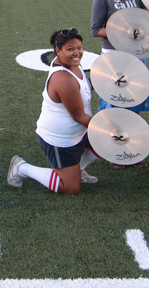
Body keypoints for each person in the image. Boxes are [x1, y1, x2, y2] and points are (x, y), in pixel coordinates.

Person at [7, 29, 101, 194]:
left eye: (79, 47)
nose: (77, 52)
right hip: (61, 140)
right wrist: (108, 127)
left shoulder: (72, 65)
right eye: (70, 49)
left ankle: (77, 169)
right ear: (58, 51)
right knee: (70, 187)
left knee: (105, 143)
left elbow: (84, 87)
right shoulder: (63, 79)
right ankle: (21, 167)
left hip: (78, 133)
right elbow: (79, 116)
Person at [90, 0, 149, 168]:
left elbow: (147, 21)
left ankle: (132, 150)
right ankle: (114, 152)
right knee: (115, 105)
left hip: (135, 56)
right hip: (113, 57)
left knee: (134, 103)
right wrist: (122, 31)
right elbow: (96, 30)